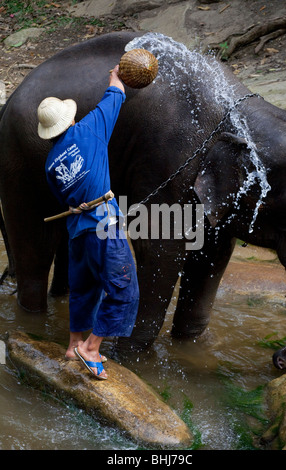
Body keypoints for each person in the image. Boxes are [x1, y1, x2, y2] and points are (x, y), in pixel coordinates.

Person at [37, 66, 139, 380]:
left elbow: (66, 200)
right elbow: (115, 95)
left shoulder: (50, 163)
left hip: (77, 233)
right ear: (70, 119)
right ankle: (91, 348)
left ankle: (73, 345)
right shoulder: (89, 129)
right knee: (124, 289)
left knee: (83, 289)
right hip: (103, 226)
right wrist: (116, 75)